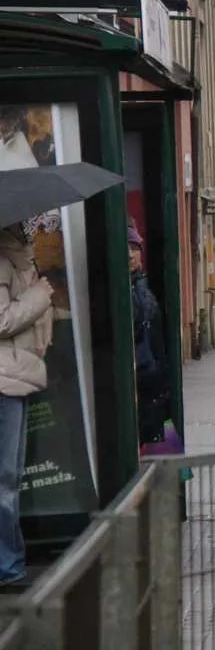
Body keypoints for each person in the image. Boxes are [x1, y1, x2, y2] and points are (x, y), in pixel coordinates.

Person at [0, 222, 53, 587]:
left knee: (9, 478)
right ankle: (8, 566)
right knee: (4, 479)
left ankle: (10, 562)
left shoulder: (18, 259)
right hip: (4, 381)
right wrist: (39, 295)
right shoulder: (3, 260)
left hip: (14, 377)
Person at [128, 224, 169, 445]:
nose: (130, 254)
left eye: (134, 247)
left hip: (152, 373)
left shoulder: (142, 285)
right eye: (126, 246)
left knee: (160, 443)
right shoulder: (128, 287)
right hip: (140, 372)